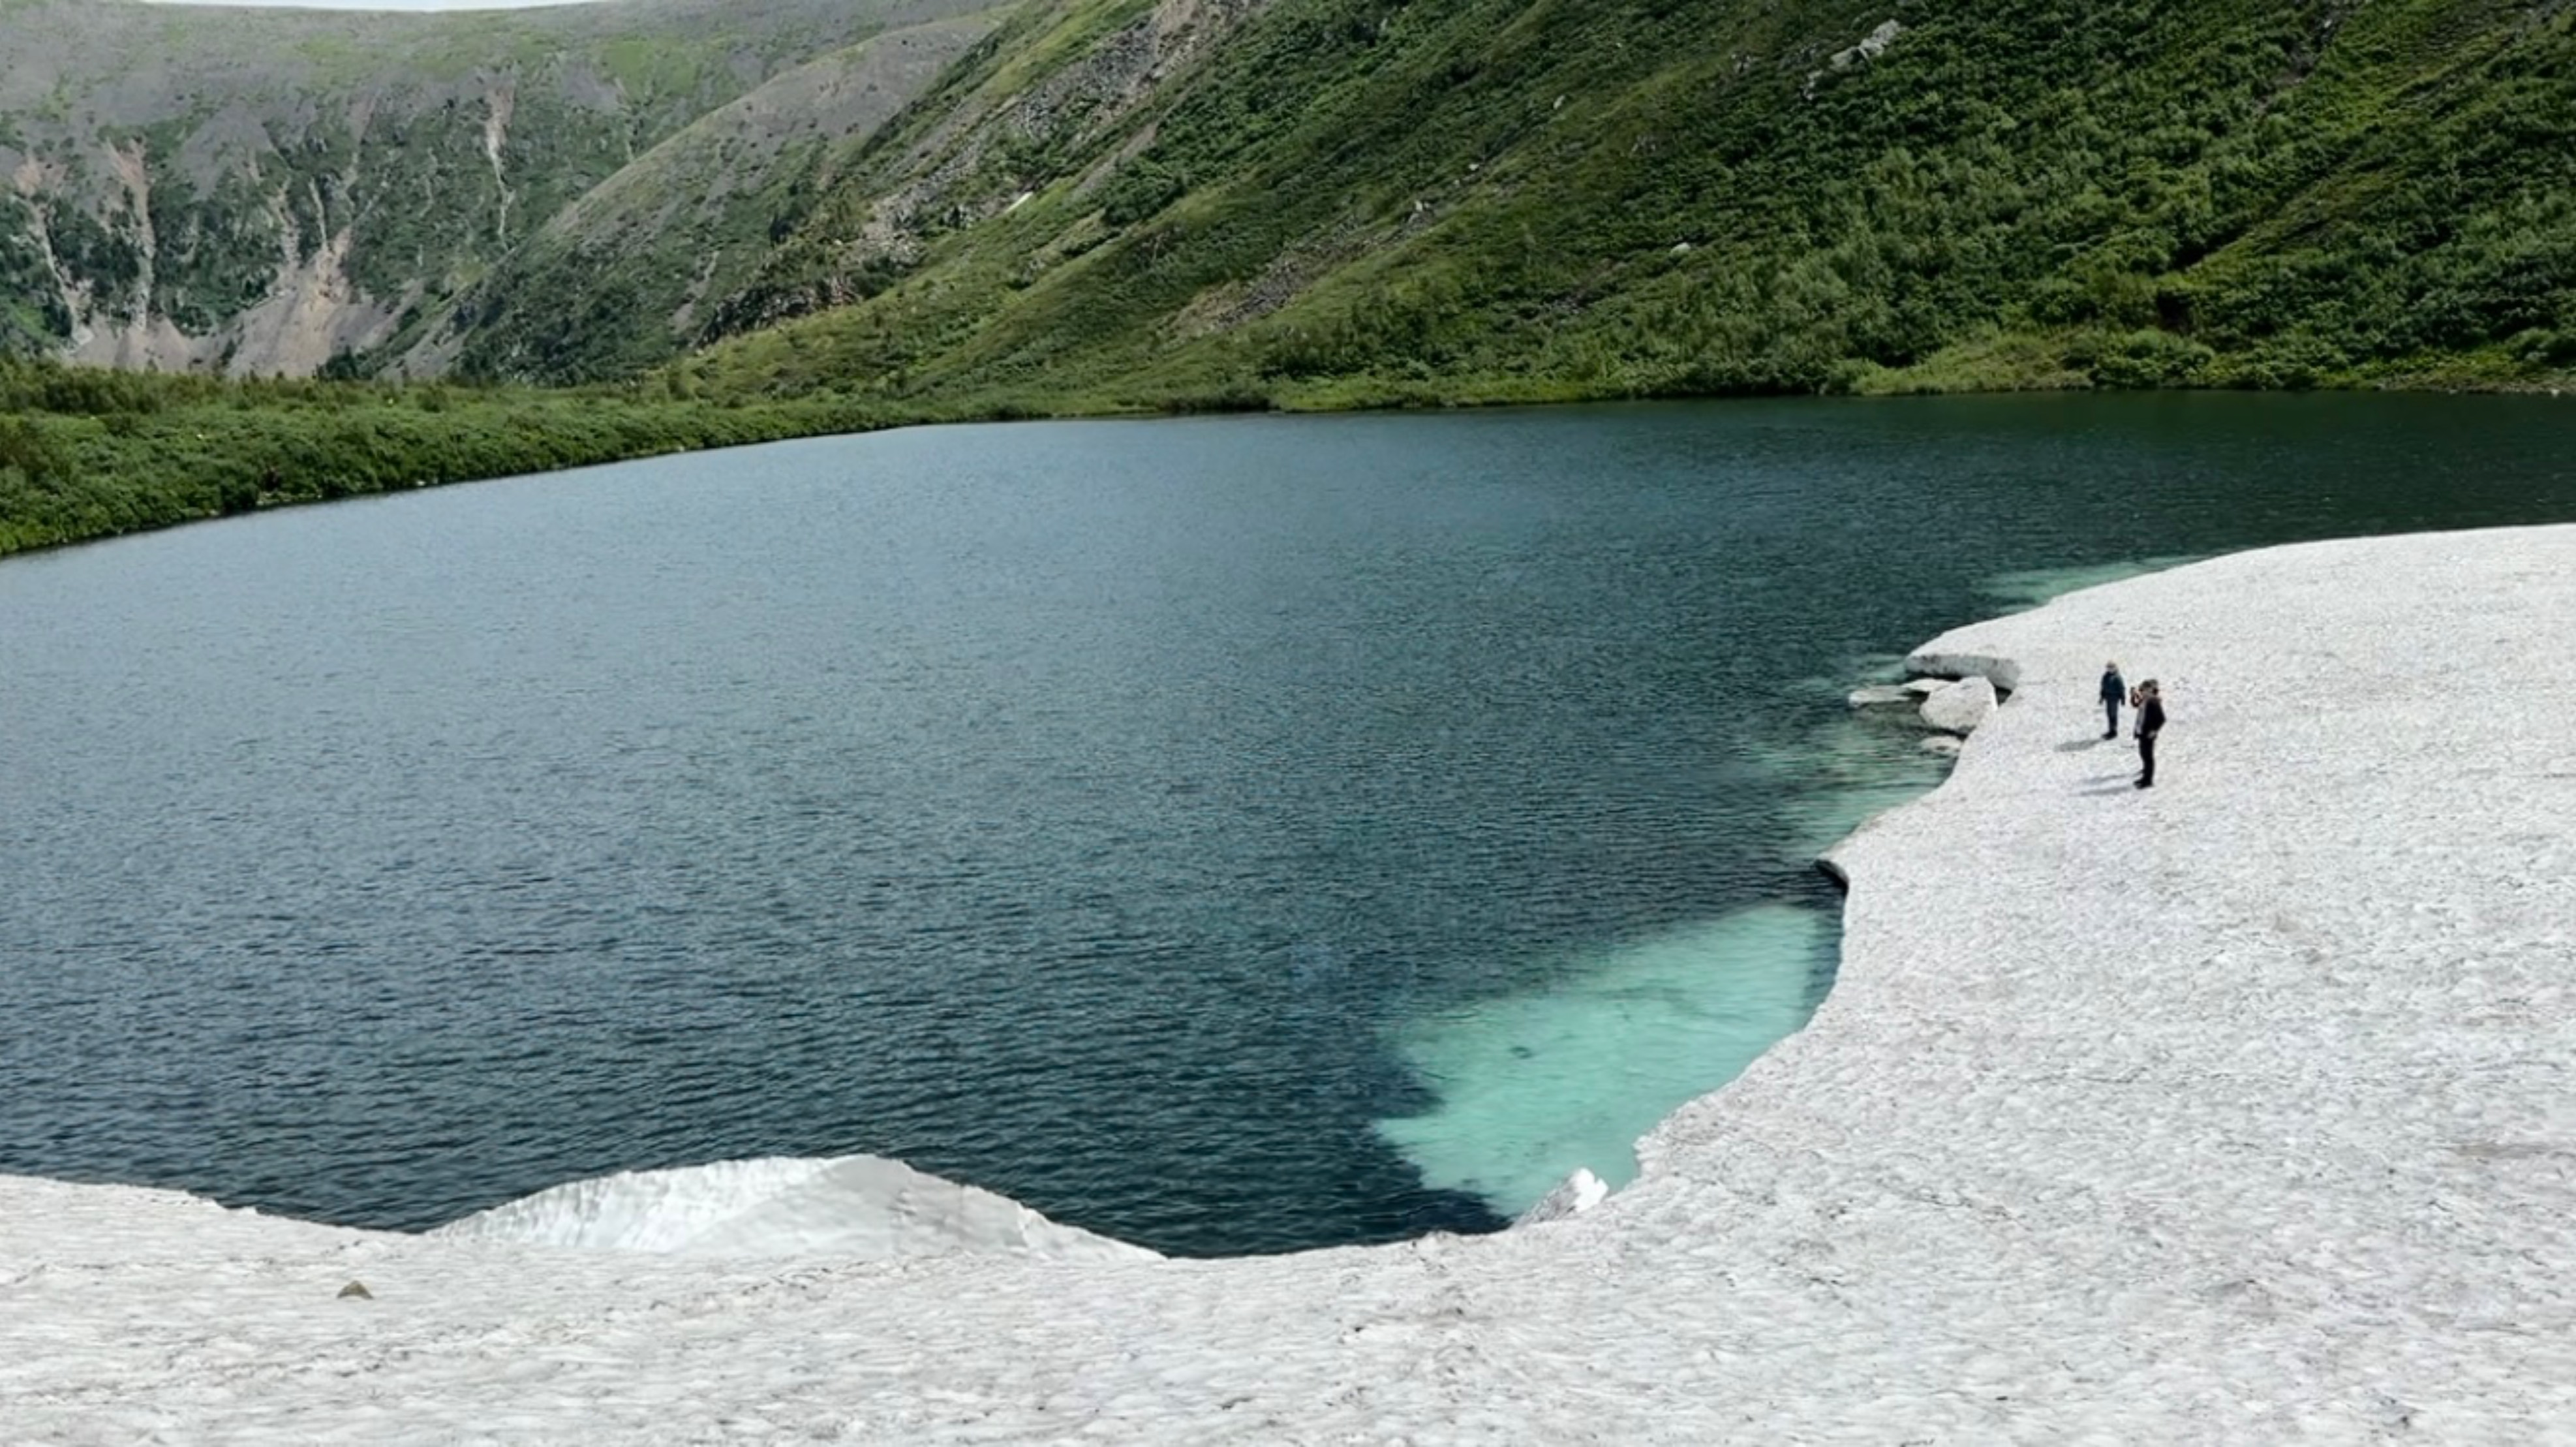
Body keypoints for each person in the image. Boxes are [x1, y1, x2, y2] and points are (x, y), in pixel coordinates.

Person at [2131, 679, 2166, 788]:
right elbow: (2135, 705)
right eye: (2142, 690)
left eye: (2145, 690)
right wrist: (2133, 695)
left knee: (2148, 757)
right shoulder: (2144, 700)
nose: (2143, 692)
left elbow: (2161, 718)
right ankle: (2145, 777)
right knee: (2143, 755)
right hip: (2142, 732)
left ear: (2150, 690)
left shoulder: (2153, 701)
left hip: (2148, 734)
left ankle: (2148, 781)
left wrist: (2154, 730)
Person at [2099, 662, 2125, 739]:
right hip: (2108, 697)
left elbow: (2121, 688)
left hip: (2114, 698)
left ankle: (2114, 731)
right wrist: (2102, 697)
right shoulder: (2106, 676)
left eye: (2111, 668)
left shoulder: (2117, 677)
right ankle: (2110, 730)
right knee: (2109, 714)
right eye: (2108, 668)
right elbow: (2103, 687)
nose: (2110, 669)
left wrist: (2123, 698)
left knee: (2113, 715)